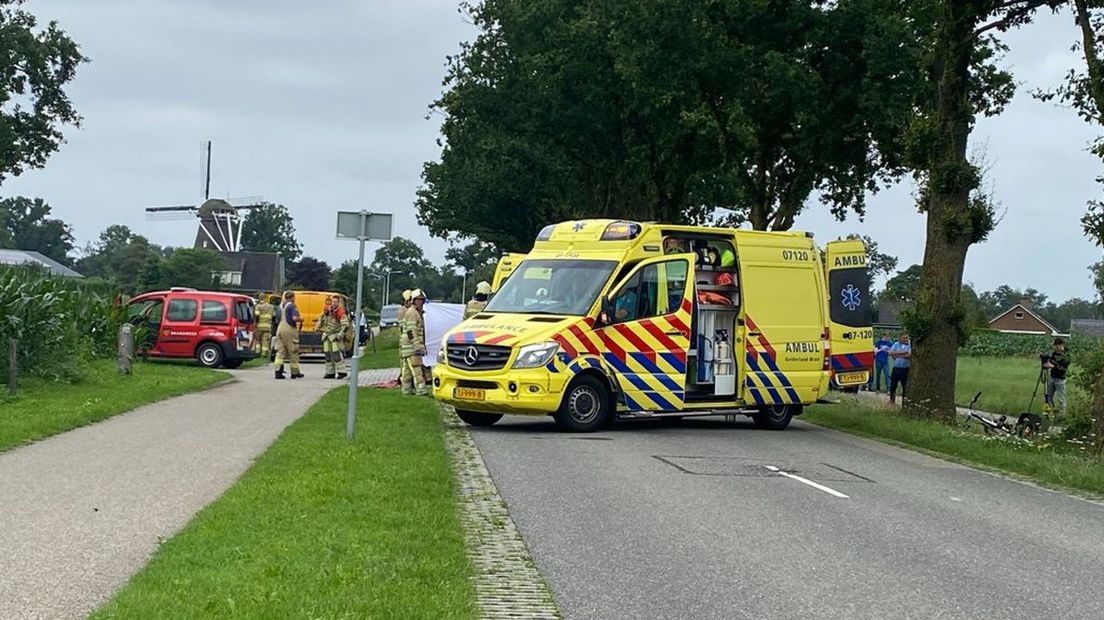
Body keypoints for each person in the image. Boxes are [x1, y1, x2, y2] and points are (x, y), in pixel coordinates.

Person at [402, 289, 430, 396]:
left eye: (422, 300)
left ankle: (406, 390)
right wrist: (417, 345)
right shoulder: (412, 313)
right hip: (412, 347)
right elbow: (411, 331)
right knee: (417, 368)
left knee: (407, 371)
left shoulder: (415, 312)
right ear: (413, 300)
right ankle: (421, 390)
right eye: (419, 300)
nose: (421, 302)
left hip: (408, 347)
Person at [315, 297, 348, 380]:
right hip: (326, 335)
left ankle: (342, 372)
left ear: (338, 303)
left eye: (335, 302)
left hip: (335, 336)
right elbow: (321, 319)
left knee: (336, 354)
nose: (333, 303)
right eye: (332, 302)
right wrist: (317, 327)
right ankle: (330, 372)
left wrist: (340, 334)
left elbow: (345, 325)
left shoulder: (341, 312)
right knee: (328, 355)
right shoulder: (326, 311)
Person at [274, 291, 304, 380]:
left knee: (280, 351)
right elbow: (294, 318)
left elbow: (277, 319)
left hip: (280, 328)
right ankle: (295, 372)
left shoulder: (280, 307)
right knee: (293, 350)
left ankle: (278, 372)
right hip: (289, 329)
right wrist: (301, 319)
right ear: (292, 297)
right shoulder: (292, 306)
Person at [1043, 337, 1071, 417]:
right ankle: (1050, 411)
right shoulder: (1054, 354)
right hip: (1052, 377)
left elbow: (1063, 367)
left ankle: (1061, 414)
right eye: (1055, 346)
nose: (1056, 347)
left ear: (1061, 345)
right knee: (1049, 395)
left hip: (1060, 378)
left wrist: (1052, 366)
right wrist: (1047, 363)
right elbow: (1051, 361)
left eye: (1057, 346)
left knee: (1061, 397)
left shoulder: (1066, 355)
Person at [398, 289, 417, 394]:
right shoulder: (404, 311)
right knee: (409, 366)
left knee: (407, 368)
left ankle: (406, 388)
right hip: (406, 343)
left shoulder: (408, 310)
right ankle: (410, 386)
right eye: (410, 300)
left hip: (406, 342)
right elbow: (406, 329)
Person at [888, 333, 911, 405]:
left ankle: (904, 403)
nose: (906, 340)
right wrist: (903, 353)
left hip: (905, 369)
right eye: (904, 338)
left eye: (907, 338)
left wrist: (897, 355)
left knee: (905, 387)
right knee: (893, 386)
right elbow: (890, 353)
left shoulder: (910, 345)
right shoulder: (896, 344)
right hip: (896, 369)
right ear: (900, 338)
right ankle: (892, 401)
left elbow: (909, 355)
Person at [253, 294, 275, 360]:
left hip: (259, 326)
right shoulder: (271, 307)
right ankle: (264, 354)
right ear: (265, 298)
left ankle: (257, 353)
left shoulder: (258, 306)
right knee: (266, 341)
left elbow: (256, 315)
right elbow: (273, 316)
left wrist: (255, 323)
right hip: (268, 326)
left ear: (260, 298)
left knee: (258, 340)